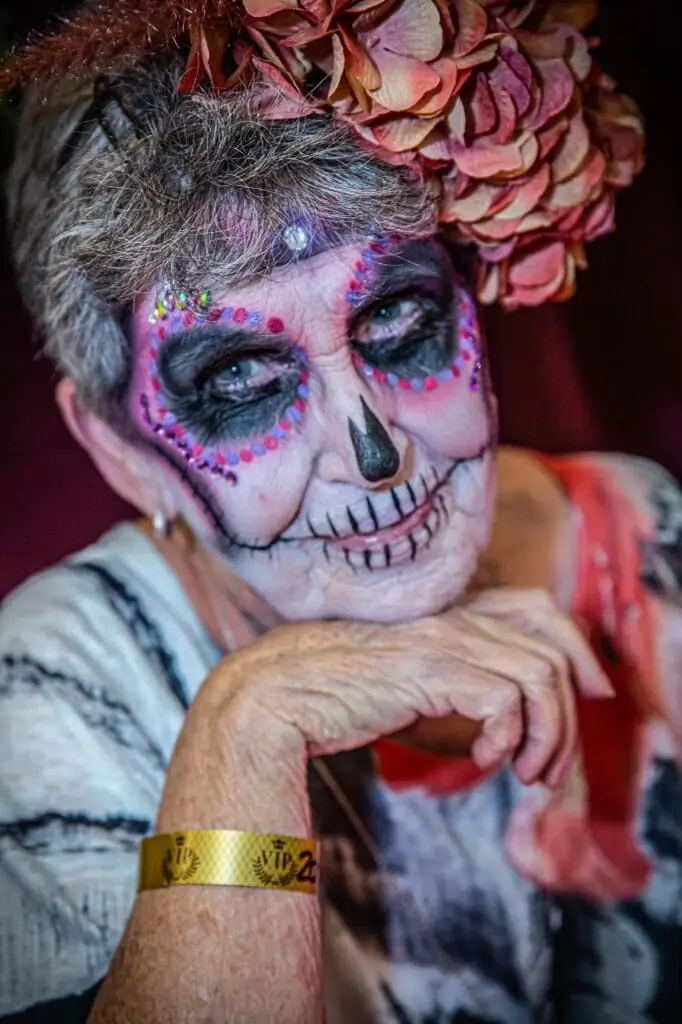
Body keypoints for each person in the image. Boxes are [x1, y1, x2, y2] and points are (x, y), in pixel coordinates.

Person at [0, 2, 678, 1022]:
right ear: (118, 452)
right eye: (242, 381)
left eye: (397, 318)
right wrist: (246, 728)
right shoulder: (54, 686)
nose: (374, 450)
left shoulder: (644, 530)